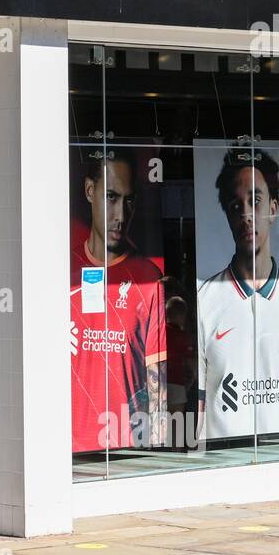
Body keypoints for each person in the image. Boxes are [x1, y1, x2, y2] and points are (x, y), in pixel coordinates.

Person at [196, 148, 279, 440]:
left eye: (255, 201)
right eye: (236, 205)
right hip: (224, 461)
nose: (246, 215)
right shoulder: (206, 299)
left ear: (273, 207)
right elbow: (200, 399)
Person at [70, 148, 167, 452]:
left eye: (128, 201)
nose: (120, 215)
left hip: (126, 450)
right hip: (65, 447)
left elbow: (157, 375)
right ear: (89, 191)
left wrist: (157, 448)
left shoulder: (147, 278)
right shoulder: (63, 272)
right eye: (110, 197)